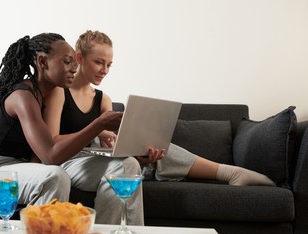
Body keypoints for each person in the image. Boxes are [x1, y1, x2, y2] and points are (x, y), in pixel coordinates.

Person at [43, 30, 276, 187]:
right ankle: (228, 172)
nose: (105, 69)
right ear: (80, 58)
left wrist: (137, 151)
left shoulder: (103, 98)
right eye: (99, 62)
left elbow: (111, 144)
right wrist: (98, 130)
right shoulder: (59, 92)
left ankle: (222, 172)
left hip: (98, 159)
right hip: (71, 160)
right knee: (130, 162)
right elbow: (52, 143)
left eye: (109, 64)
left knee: (152, 146)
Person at [0, 33, 144, 226]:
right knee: (54, 176)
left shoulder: (47, 93)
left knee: (125, 165)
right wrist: (99, 124)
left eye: (74, 63)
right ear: (42, 62)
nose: (73, 68)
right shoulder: (23, 96)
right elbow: (50, 156)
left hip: (22, 165)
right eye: (67, 62)